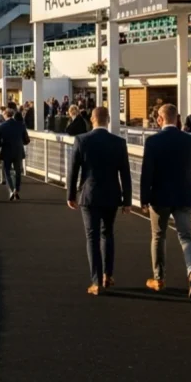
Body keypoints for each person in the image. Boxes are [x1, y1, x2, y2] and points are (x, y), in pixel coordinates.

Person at [140, 103, 191, 301]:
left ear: (159, 119)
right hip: (185, 195)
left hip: (160, 197)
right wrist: (188, 184)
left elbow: (146, 173)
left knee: (158, 236)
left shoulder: (152, 141)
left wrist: (144, 198)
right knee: (187, 236)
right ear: (177, 119)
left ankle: (159, 278)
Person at [66, 107, 133, 295]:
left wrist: (71, 195)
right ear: (108, 120)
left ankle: (95, 281)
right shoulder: (119, 142)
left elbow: (73, 170)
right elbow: (125, 174)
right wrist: (127, 200)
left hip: (89, 195)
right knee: (108, 234)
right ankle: (108, 275)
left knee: (92, 237)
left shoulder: (81, 140)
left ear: (92, 119)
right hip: (112, 195)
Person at [0, 108, 30, 200]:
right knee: (18, 171)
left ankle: (11, 189)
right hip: (18, 150)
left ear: (5, 115)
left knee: (7, 171)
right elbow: (27, 140)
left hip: (7, 150)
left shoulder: (2, 126)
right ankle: (17, 189)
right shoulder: (20, 125)